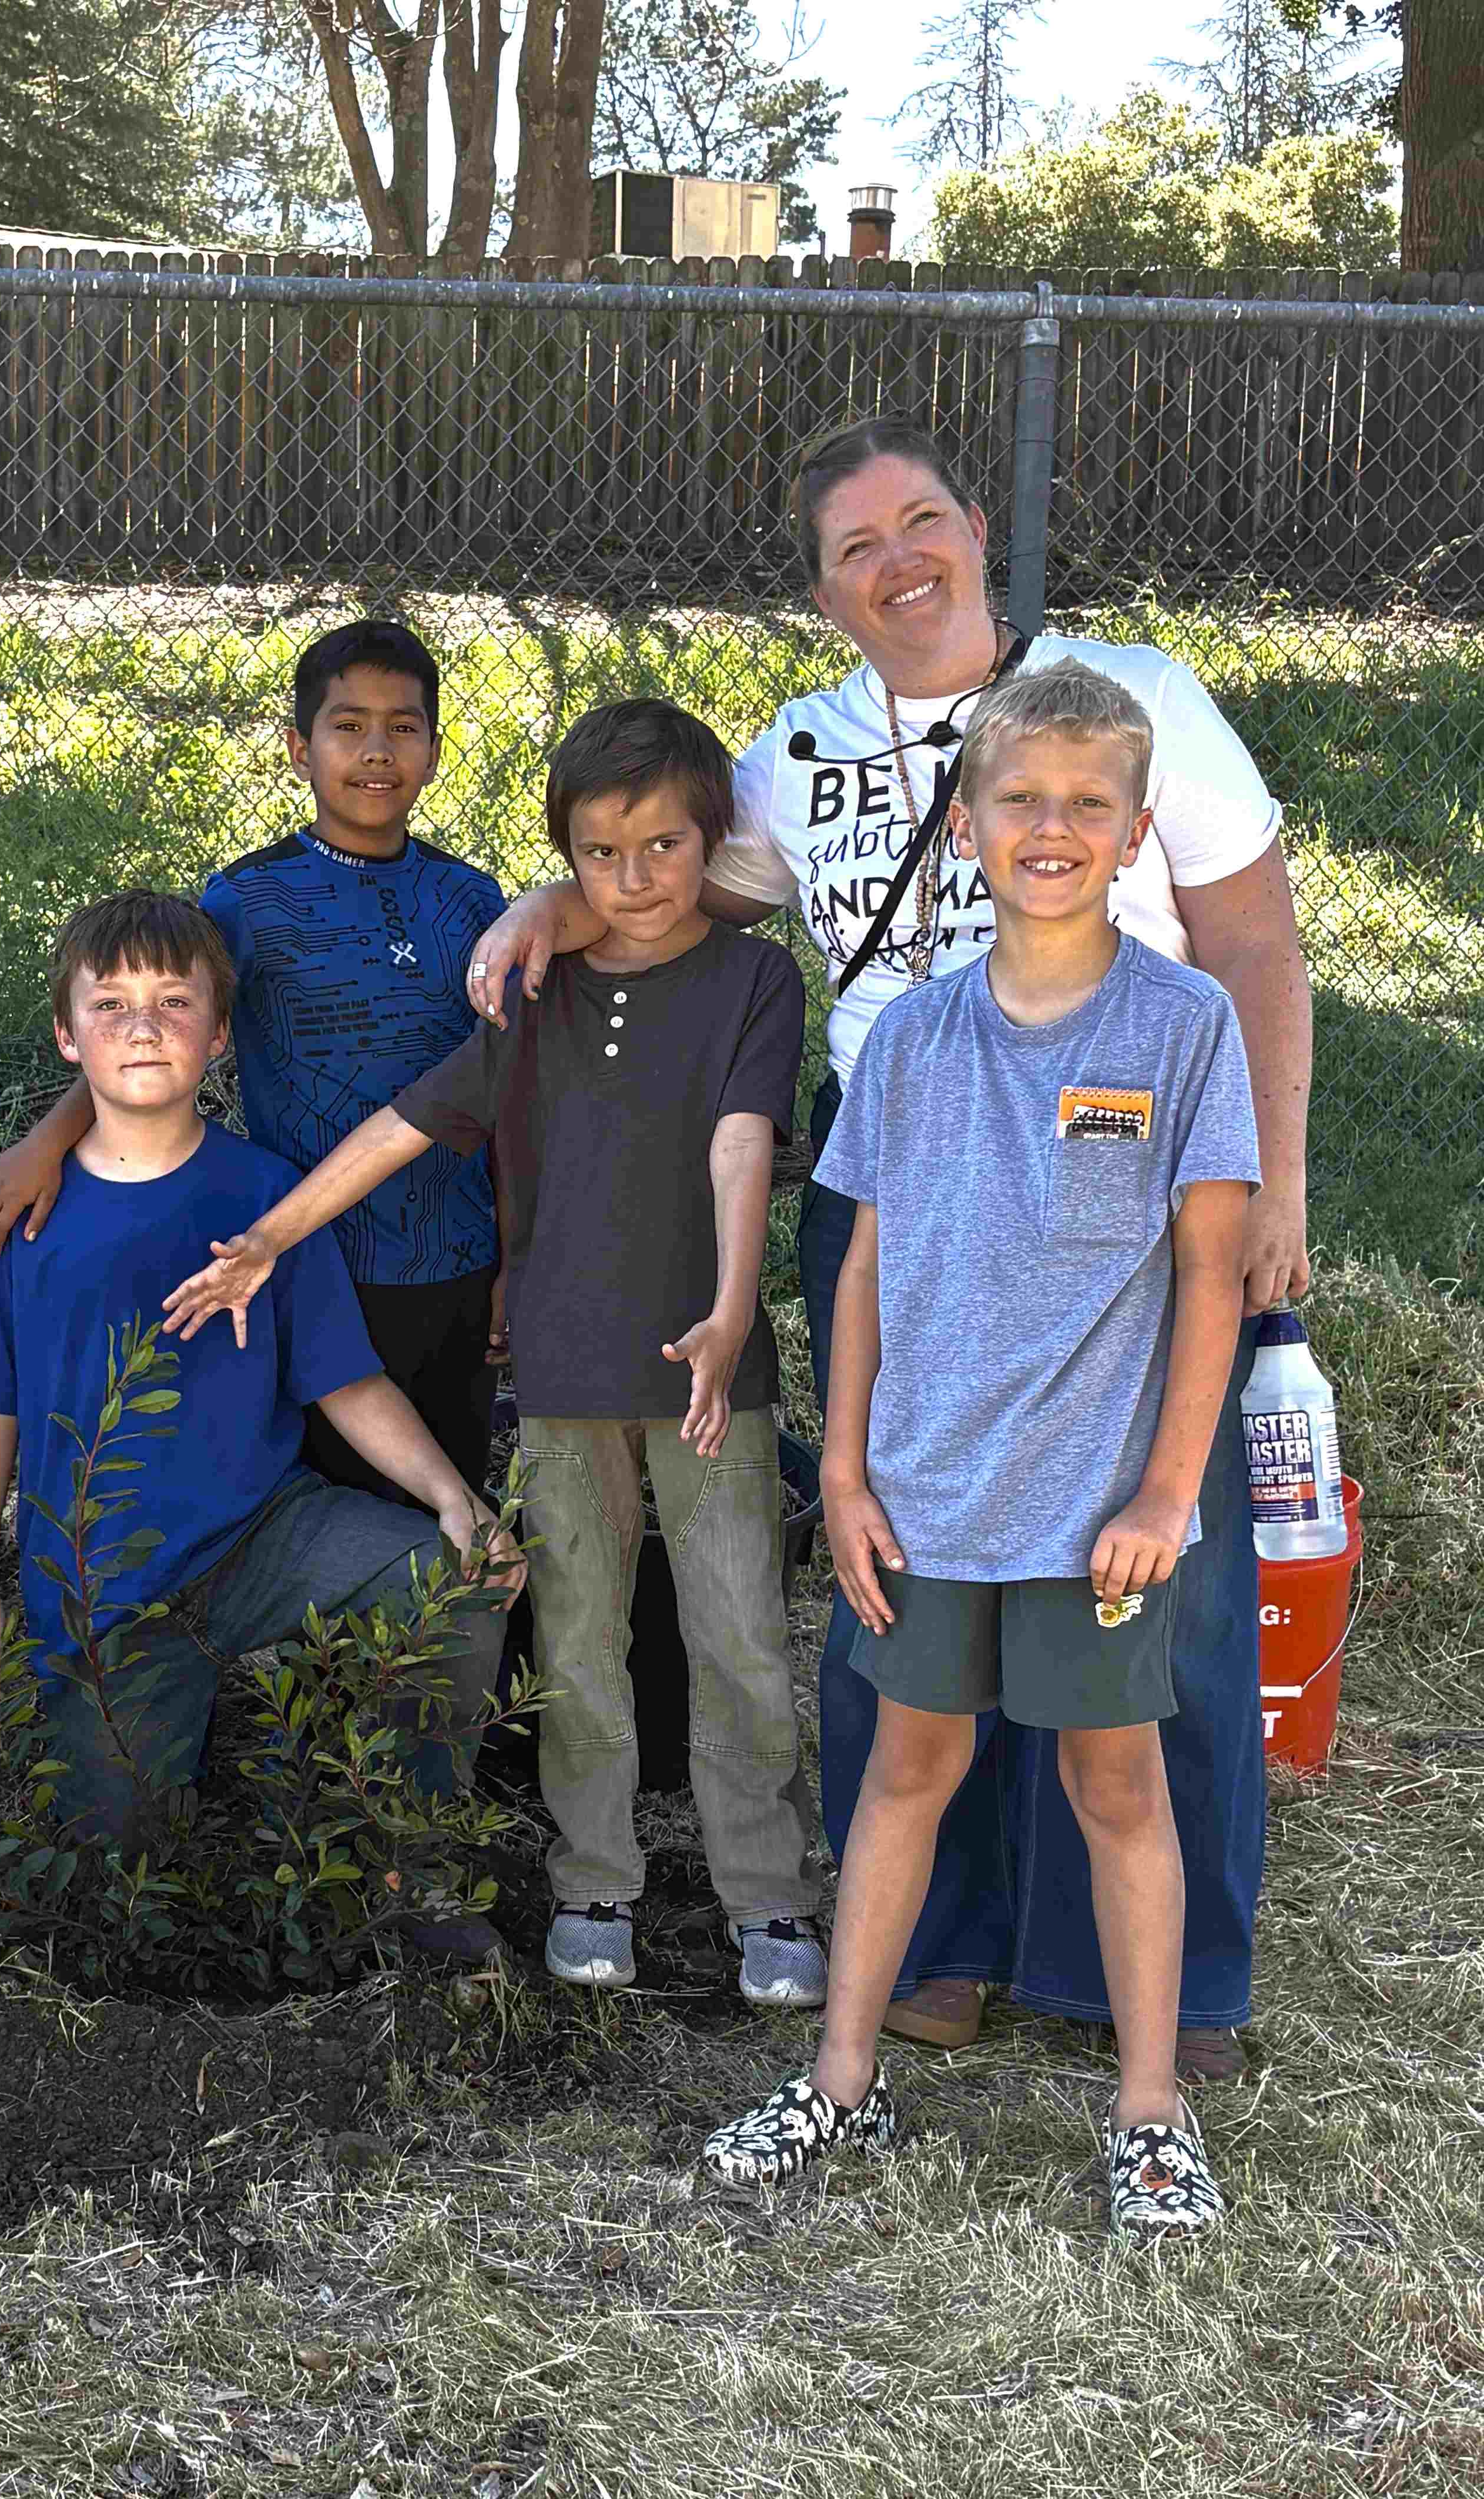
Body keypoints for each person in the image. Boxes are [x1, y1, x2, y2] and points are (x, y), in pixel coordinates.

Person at [466, 415, 1312, 2078]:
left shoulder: (1127, 695)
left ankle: (1163, 1974)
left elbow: (1253, 938)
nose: (896, 562)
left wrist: (1274, 1180)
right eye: (856, 546)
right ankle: (938, 1937)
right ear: (823, 589)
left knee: (1156, 1568)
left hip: (1123, 1186)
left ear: (978, 529)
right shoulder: (795, 749)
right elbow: (671, 889)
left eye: (918, 522)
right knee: (907, 1565)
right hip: (904, 1178)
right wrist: (535, 909)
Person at [704, 660, 1258, 2235]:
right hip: (929, 1499)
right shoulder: (910, 1040)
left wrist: (1165, 1486)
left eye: (1088, 804)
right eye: (1019, 799)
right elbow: (862, 1262)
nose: (1051, 827)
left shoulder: (1182, 1026)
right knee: (905, 1772)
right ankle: (839, 2076)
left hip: (1096, 1516)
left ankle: (1149, 2112)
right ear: (962, 825)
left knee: (1116, 1789)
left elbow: (1207, 1274)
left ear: (1138, 831)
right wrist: (846, 1469)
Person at [163, 700, 826, 2006]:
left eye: (663, 848)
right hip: (568, 1377)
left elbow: (742, 1141)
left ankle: (771, 1895)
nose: (634, 881)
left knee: (739, 1625)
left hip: (708, 1371)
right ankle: (595, 1876)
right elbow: (406, 1125)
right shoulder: (538, 992)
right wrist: (269, 1238)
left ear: (712, 843)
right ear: (563, 861)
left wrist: (738, 1305)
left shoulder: (754, 980)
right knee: (577, 1627)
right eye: (600, 853)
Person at [0, 890, 523, 1955]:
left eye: (171, 1001)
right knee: (119, 1890)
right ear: (65, 1034)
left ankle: (406, 1854)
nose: (142, 1025)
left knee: (452, 1574)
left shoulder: (264, 1195)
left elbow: (343, 1378)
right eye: (108, 1005)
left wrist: (453, 1499)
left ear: (220, 1030)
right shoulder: (25, 1217)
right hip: (104, 1581)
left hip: (260, 1535)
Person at [0, 618, 508, 1506]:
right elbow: (156, 1026)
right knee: (334, 1502)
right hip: (306, 1256)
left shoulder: (470, 898)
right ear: (300, 748)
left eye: (403, 727)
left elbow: (501, 1088)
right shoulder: (247, 898)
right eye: (347, 726)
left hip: (457, 1254)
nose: (376, 751)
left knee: (449, 1494)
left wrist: (511, 1254)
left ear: (436, 750)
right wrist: (49, 1140)